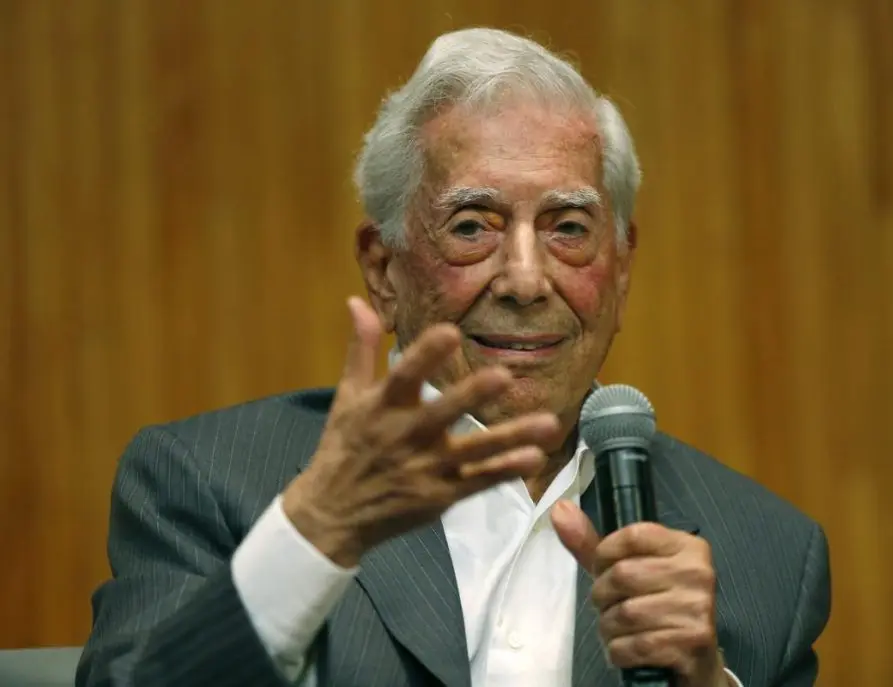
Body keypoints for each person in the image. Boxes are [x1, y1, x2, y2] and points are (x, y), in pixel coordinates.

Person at [78, 27, 830, 687]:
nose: (526, 280)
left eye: (569, 228)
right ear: (384, 270)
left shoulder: (767, 554)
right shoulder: (210, 485)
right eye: (472, 226)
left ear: (622, 268)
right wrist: (315, 534)